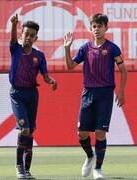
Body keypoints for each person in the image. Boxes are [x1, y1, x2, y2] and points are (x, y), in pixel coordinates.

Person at [64, 13, 127, 179]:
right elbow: (70, 66)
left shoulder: (112, 48)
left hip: (105, 94)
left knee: (100, 133)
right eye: (94, 26)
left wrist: (121, 91)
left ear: (106, 28)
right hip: (88, 93)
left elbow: (123, 70)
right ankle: (90, 156)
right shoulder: (85, 48)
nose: (97, 29)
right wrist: (66, 48)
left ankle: (98, 169)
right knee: (82, 134)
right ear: (90, 29)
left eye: (100, 26)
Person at [9, 14, 57, 179]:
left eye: (31, 35)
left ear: (36, 38)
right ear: (22, 34)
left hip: (32, 94)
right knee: (24, 129)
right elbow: (13, 38)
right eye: (25, 34)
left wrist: (51, 81)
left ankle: (27, 169)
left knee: (30, 132)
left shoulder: (39, 56)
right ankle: (19, 166)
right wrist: (14, 25)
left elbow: (45, 75)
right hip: (17, 94)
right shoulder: (15, 49)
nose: (28, 37)